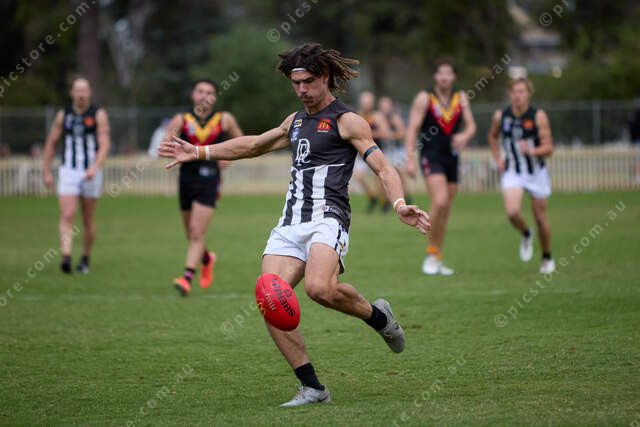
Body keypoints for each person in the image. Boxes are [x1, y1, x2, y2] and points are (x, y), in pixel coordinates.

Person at [159, 43, 431, 406]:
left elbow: (382, 167)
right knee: (270, 298)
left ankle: (379, 318)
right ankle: (313, 387)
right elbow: (253, 145)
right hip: (290, 222)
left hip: (328, 218)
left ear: (326, 78)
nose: (302, 89)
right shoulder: (295, 121)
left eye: (308, 82)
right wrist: (197, 151)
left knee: (320, 289)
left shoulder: (347, 121)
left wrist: (398, 204)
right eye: (296, 83)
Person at [162, 78, 243, 296]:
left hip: (210, 180)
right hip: (186, 179)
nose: (204, 95)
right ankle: (206, 257)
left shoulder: (224, 119)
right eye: (200, 91)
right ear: (193, 95)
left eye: (209, 92)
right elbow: (165, 144)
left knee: (197, 231)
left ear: (214, 97)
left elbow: (241, 142)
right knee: (191, 232)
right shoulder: (182, 119)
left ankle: (186, 278)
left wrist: (228, 160)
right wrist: (167, 149)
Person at [404, 57, 476, 275]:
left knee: (445, 209)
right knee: (440, 200)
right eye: (440, 73)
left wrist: (464, 135)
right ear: (435, 76)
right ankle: (430, 253)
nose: (444, 77)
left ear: (453, 76)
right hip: (431, 154)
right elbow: (412, 128)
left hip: (452, 157)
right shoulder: (425, 97)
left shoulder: (461, 97)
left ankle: (436, 256)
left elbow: (471, 125)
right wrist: (409, 159)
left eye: (448, 73)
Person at [42, 76, 110, 274]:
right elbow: (51, 143)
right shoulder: (63, 115)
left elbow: (104, 144)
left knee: (87, 218)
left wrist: (95, 167)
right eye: (78, 90)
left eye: (84, 90)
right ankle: (66, 256)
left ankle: (85, 258)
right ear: (72, 93)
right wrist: (46, 171)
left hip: (90, 172)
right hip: (68, 171)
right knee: (68, 214)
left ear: (90, 92)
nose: (81, 94)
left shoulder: (98, 114)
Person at [488, 77, 555, 274]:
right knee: (512, 212)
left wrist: (531, 151)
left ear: (528, 94)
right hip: (513, 171)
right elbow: (492, 136)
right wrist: (498, 158)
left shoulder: (538, 116)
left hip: (536, 172)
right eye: (514, 92)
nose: (517, 96)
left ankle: (547, 257)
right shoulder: (501, 116)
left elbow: (549, 148)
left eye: (521, 91)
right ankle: (526, 233)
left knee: (540, 218)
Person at [353, 91, 392, 212]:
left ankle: (385, 202)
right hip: (362, 154)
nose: (366, 105)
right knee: (358, 176)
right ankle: (372, 198)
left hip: (376, 152)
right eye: (364, 102)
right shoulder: (358, 115)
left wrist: (368, 134)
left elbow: (386, 133)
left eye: (368, 102)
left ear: (372, 103)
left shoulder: (377, 116)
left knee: (378, 180)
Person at [379, 96, 412, 206]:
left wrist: (392, 135)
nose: (385, 108)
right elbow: (380, 133)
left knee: (399, 173)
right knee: (384, 175)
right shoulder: (379, 118)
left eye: (386, 106)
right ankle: (386, 200)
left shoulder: (395, 118)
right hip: (386, 150)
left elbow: (402, 133)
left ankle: (406, 196)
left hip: (397, 150)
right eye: (383, 106)